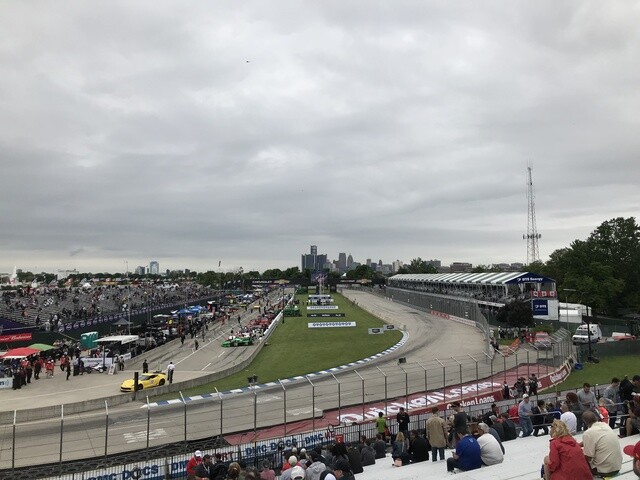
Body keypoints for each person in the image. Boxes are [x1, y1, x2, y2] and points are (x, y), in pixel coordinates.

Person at [580, 410, 622, 477]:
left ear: (584, 422)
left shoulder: (588, 433)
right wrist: (579, 444)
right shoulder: (605, 426)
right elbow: (596, 438)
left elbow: (589, 457)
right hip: (617, 467)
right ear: (596, 417)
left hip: (604, 471)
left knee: (579, 456)